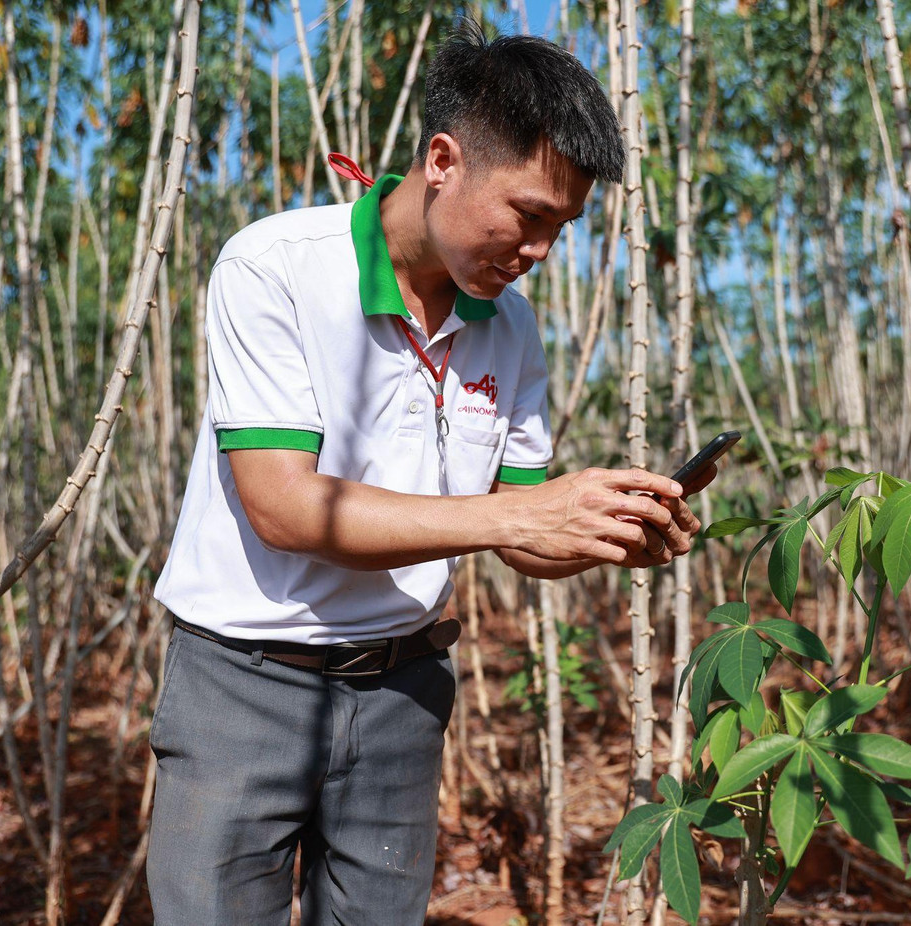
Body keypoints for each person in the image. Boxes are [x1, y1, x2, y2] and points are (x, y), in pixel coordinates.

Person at [146, 19, 714, 925]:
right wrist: (519, 520)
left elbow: (522, 527)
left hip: (403, 694)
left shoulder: (511, 324)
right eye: (527, 215)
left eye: (561, 229)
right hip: (242, 688)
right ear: (443, 160)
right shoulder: (276, 268)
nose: (537, 252)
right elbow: (285, 508)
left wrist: (603, 529)